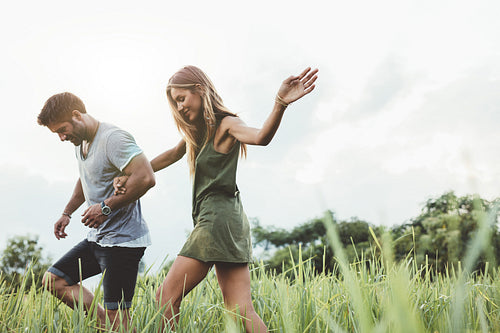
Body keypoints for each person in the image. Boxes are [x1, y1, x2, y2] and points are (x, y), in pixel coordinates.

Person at [114, 66, 318, 332]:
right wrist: (130, 174)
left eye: (181, 99)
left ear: (199, 90)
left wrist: (280, 103)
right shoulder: (198, 133)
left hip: (216, 221)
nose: (180, 107)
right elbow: (171, 155)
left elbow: (260, 137)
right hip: (230, 221)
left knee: (165, 297)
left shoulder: (226, 124)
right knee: (240, 310)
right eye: (175, 103)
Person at [37, 92, 156, 331]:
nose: (61, 137)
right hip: (98, 239)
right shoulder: (80, 142)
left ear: (77, 115)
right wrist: (67, 212)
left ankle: (116, 327)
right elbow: (85, 178)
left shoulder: (113, 139)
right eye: (57, 134)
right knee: (54, 280)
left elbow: (146, 177)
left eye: (62, 129)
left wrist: (105, 207)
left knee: (118, 317)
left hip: (123, 242)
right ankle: (111, 327)